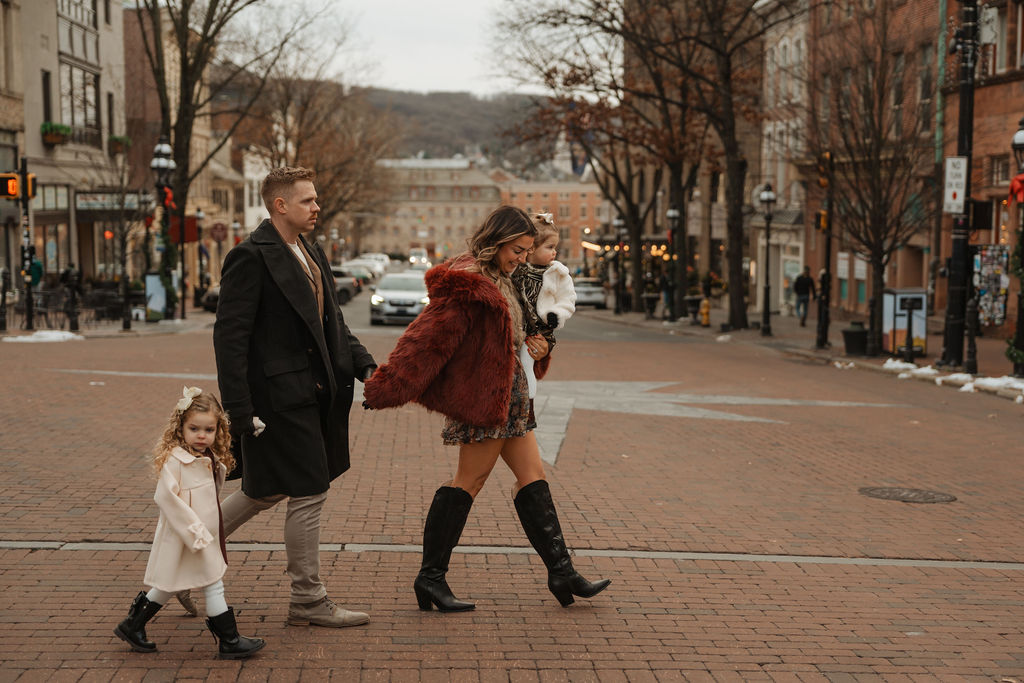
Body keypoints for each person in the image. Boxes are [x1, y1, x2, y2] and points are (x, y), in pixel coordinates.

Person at [363, 205, 609, 612]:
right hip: (483, 397)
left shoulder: (508, 280)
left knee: (533, 476)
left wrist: (544, 345)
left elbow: (525, 331)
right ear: (496, 241)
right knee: (468, 482)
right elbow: (427, 340)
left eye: (528, 251)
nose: (522, 258)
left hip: (511, 394)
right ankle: (430, 579)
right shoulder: (469, 284)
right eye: (517, 249)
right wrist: (385, 387)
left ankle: (561, 570)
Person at [196, 166, 377, 629]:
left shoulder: (310, 250)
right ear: (280, 205)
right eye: (308, 201)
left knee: (265, 491)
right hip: (275, 401)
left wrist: (366, 364)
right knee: (310, 491)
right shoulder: (249, 257)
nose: (317, 208)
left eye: (315, 200)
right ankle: (308, 599)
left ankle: (178, 566)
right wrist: (239, 412)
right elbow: (230, 339)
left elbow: (332, 324)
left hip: (315, 396)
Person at [113, 387, 265, 659]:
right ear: (180, 427)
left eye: (208, 430)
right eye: (194, 428)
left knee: (171, 582)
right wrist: (194, 531)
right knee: (212, 581)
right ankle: (229, 640)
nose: (201, 435)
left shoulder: (207, 456)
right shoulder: (176, 461)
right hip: (190, 535)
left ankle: (132, 624)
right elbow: (166, 497)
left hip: (203, 534)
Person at [511, 212, 576, 399]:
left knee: (526, 361)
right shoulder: (517, 269)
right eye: (550, 247)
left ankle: (527, 400)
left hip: (538, 329)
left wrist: (555, 314)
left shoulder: (558, 273)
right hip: (517, 325)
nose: (554, 252)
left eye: (555, 247)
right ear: (531, 249)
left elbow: (567, 300)